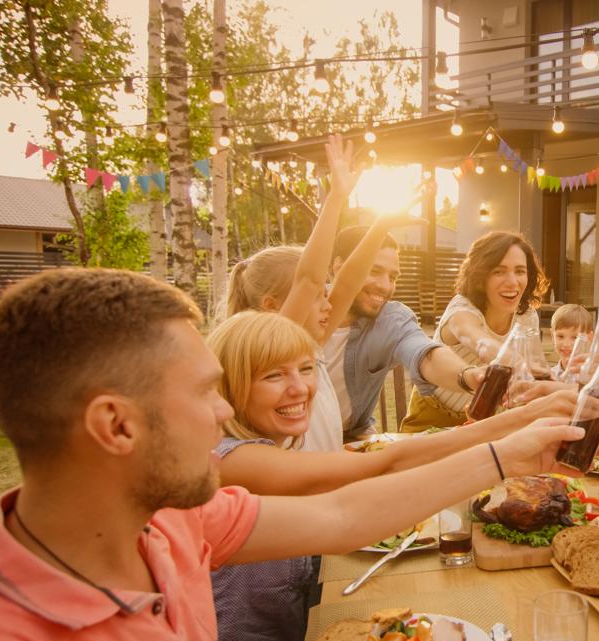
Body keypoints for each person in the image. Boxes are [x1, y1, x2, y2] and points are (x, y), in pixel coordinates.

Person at [0, 268, 583, 641]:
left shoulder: (166, 517)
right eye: (206, 394)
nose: (224, 414)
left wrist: (508, 454)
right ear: (116, 426)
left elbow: (342, 516)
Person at [204, 310, 575, 641]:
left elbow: (391, 466)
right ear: (229, 389)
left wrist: (520, 422)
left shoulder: (260, 449)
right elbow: (384, 467)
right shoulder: (231, 461)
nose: (299, 388)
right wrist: (517, 429)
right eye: (273, 375)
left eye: (306, 368)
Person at [223, 135, 420, 451]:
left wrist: (381, 225)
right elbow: (310, 279)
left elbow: (346, 282)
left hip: (329, 483)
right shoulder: (269, 354)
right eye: (317, 298)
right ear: (273, 306)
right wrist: (336, 199)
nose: (329, 301)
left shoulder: (308, 347)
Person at [324, 225, 488, 441]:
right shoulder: (302, 311)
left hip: (351, 440)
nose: (385, 285)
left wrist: (467, 376)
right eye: (374, 271)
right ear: (339, 265)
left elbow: (424, 354)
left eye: (393, 277)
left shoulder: (391, 319)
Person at [399, 231, 549, 432]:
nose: (513, 282)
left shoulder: (527, 316)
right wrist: (518, 363)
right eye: (499, 271)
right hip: (432, 418)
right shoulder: (461, 309)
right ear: (480, 277)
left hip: (484, 421)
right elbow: (476, 339)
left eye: (520, 271)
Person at [549, 303, 593, 380]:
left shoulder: (593, 376)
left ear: (589, 338)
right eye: (560, 336)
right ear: (552, 336)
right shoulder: (549, 376)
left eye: (575, 337)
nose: (566, 344)